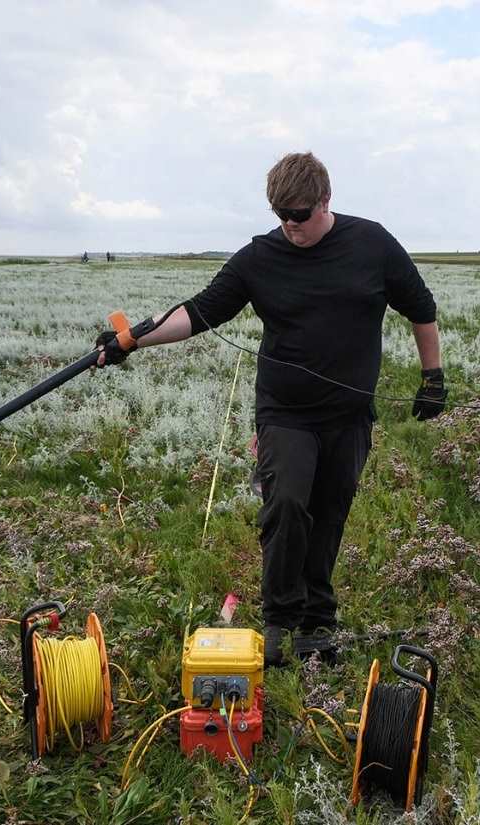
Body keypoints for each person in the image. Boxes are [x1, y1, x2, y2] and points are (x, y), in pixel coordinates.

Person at [94, 152, 447, 666]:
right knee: (286, 506)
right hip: (285, 411)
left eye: (300, 215)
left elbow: (421, 307)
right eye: (280, 214)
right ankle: (281, 621)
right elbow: (200, 310)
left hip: (348, 415)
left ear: (326, 201)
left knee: (328, 515)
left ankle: (318, 622)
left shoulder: (372, 244)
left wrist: (432, 377)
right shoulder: (260, 257)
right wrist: (132, 340)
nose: (290, 225)